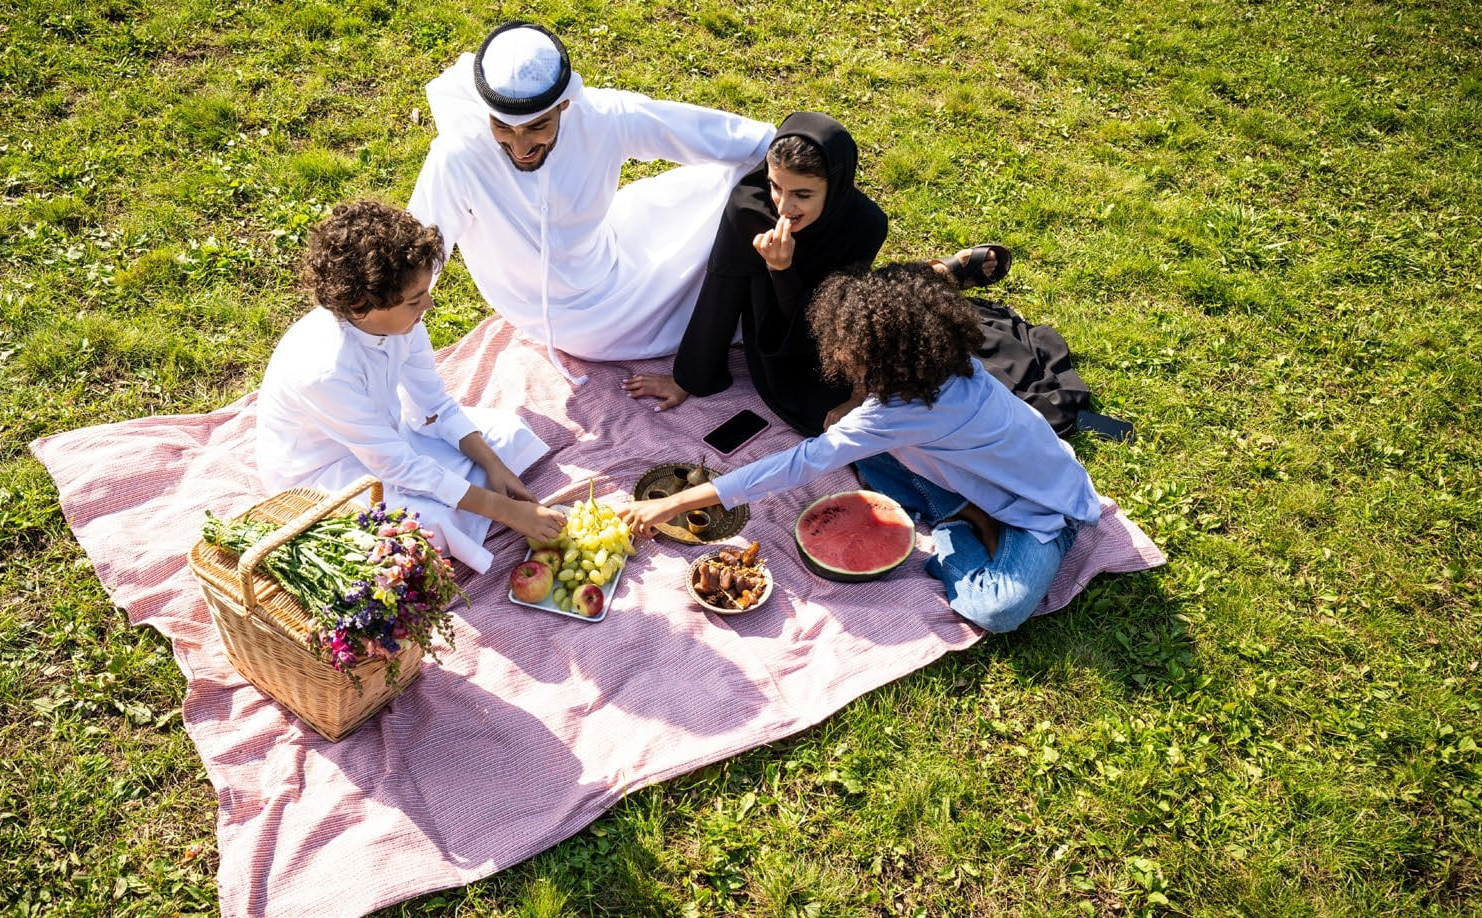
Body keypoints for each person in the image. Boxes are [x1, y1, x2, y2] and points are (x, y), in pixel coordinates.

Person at [622, 263, 1101, 634]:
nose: (844, 363)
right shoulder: (947, 366)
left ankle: (957, 527)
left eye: (853, 359)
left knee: (997, 610)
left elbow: (796, 465)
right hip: (979, 468)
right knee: (849, 438)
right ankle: (965, 508)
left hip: (1045, 509)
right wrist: (854, 404)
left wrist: (678, 500)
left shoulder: (897, 415)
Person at [406, 20, 775, 381]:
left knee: (745, 184)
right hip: (592, 320)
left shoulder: (603, 116)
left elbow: (732, 138)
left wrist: (811, 159)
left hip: (614, 249)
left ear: (564, 106)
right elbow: (414, 257)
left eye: (537, 127)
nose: (520, 148)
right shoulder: (458, 155)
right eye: (503, 128)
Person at [621, 113, 1013, 435]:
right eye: (776, 187)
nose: (784, 207)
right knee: (816, 416)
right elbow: (722, 287)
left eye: (802, 195)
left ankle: (936, 276)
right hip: (775, 324)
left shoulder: (865, 225)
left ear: (836, 186)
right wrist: (689, 377)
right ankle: (935, 274)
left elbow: (832, 315)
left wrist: (783, 268)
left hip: (828, 317)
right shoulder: (750, 208)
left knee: (893, 397)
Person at [255, 201, 564, 574]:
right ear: (360, 306)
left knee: (507, 435)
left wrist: (494, 466)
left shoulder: (403, 322)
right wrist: (508, 511)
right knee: (428, 527)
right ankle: (475, 510)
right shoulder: (326, 371)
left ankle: (481, 490)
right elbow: (397, 466)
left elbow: (434, 403)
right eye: (416, 300)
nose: (429, 305)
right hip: (328, 472)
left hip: (387, 436)